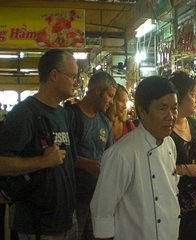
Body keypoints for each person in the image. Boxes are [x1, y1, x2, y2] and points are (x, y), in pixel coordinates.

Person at [0, 49, 79, 240]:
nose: (76, 82)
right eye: (72, 76)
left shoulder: (63, 114)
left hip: (67, 218)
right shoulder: (24, 113)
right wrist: (42, 161)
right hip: (38, 224)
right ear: (53, 75)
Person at [91, 76, 180, 240]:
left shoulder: (170, 145)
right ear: (142, 111)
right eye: (162, 108)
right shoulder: (121, 153)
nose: (171, 116)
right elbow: (102, 212)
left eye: (174, 108)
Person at [66, 71, 116, 240]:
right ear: (96, 91)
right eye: (109, 96)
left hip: (98, 198)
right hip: (73, 198)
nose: (111, 101)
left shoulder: (105, 122)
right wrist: (88, 164)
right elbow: (62, 155)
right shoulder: (70, 115)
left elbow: (110, 155)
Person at [169, 71, 196, 240]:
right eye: (193, 95)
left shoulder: (194, 124)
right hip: (173, 207)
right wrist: (187, 169)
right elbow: (155, 168)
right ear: (179, 98)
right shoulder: (165, 128)